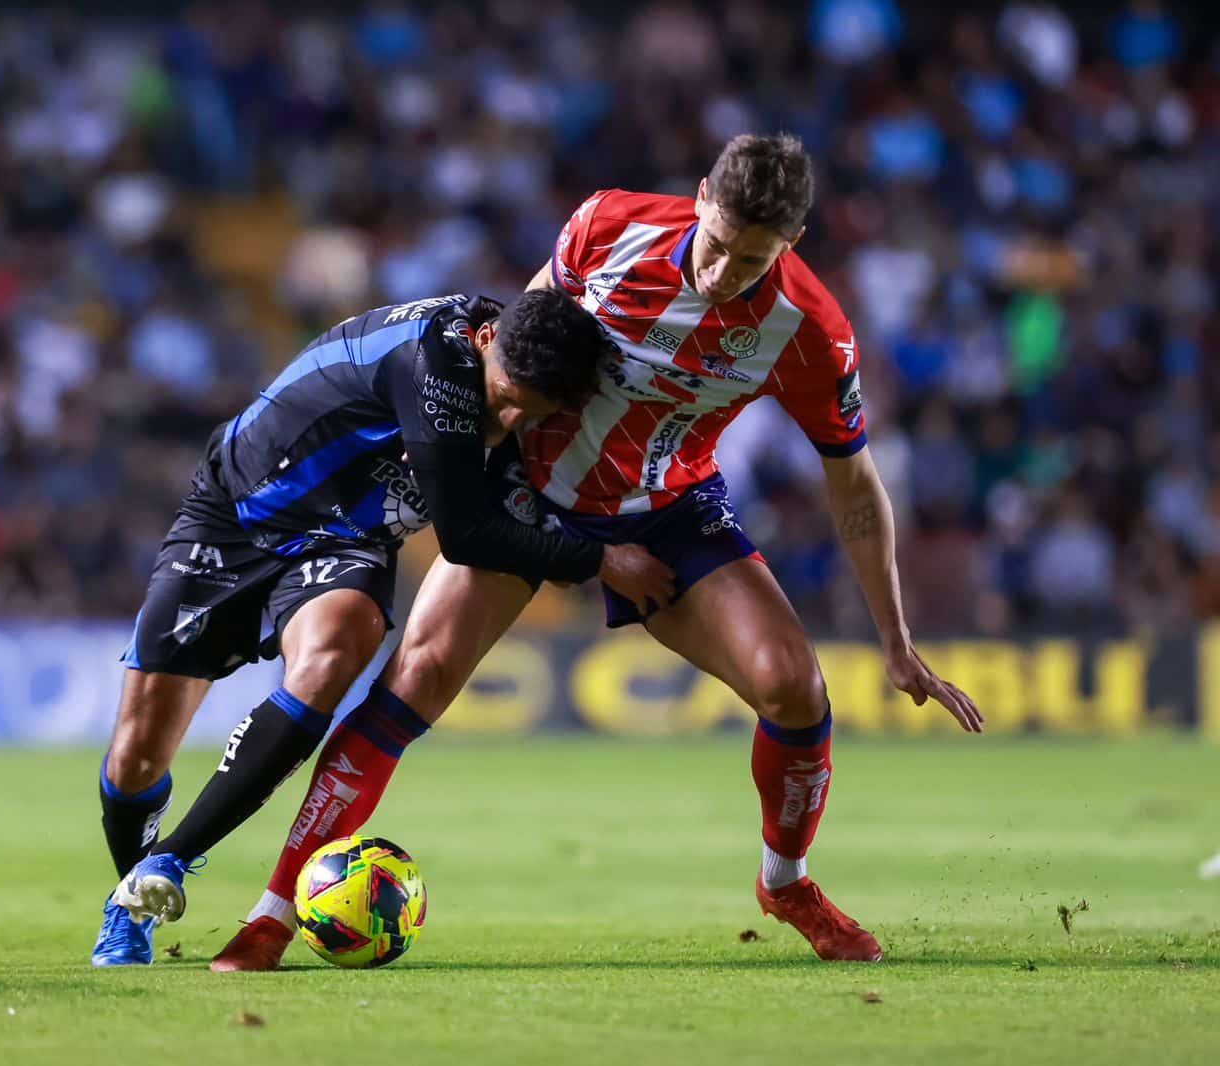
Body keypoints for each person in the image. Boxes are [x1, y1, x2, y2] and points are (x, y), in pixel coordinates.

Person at [211, 133, 985, 972]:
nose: (723, 274)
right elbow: (519, 339)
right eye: (719, 245)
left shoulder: (810, 332)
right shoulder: (610, 227)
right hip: (531, 491)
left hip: (667, 510)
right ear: (699, 198)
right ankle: (275, 914)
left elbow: (855, 488)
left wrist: (895, 641)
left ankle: (785, 881)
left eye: (752, 260)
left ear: (790, 245)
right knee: (416, 678)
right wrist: (459, 453)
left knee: (794, 688)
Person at [90, 288, 676, 966]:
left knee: (337, 651)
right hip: (235, 518)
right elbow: (465, 536)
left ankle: (162, 871)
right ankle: (131, 888)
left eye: (530, 411)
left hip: (346, 540)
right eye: (507, 396)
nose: (510, 418)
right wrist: (601, 559)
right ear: (486, 342)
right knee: (136, 757)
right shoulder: (434, 364)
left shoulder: (503, 351)